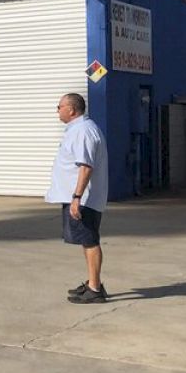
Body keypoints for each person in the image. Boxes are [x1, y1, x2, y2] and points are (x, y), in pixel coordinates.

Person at [46, 92, 109, 303]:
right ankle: (93, 283)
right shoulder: (78, 130)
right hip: (80, 197)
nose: (57, 110)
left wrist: (77, 197)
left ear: (71, 110)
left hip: (84, 199)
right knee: (86, 240)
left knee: (90, 240)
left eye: (59, 106)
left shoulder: (83, 131)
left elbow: (86, 166)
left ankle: (95, 289)